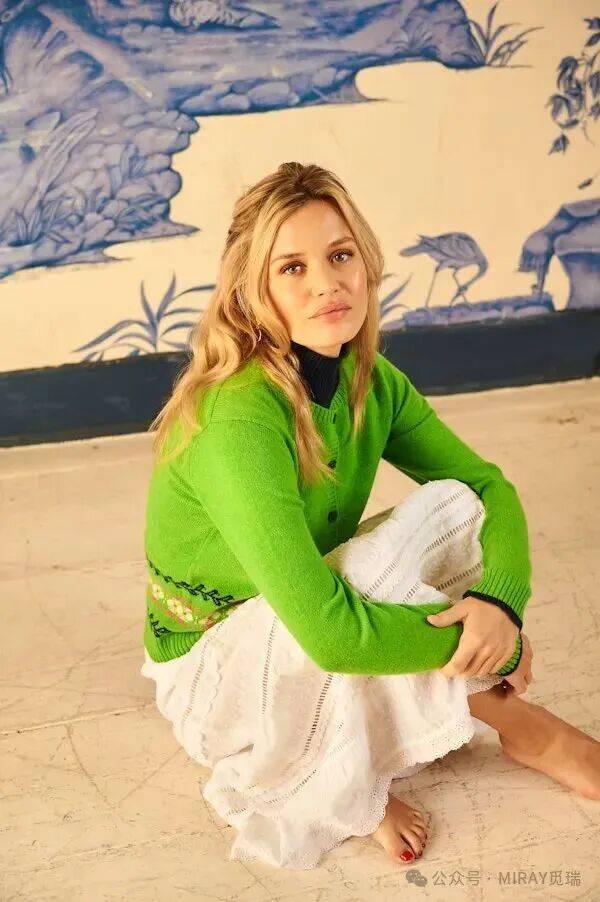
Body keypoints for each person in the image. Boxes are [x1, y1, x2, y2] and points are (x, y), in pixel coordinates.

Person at [140, 162, 600, 871]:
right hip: (217, 674)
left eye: (340, 254)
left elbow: (488, 489)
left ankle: (384, 742)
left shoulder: (369, 380)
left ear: (368, 262)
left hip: (296, 618)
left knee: (452, 507)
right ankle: (514, 730)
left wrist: (501, 605)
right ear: (252, 291)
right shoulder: (239, 416)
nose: (327, 283)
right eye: (292, 267)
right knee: (367, 584)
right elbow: (330, 636)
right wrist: (495, 655)